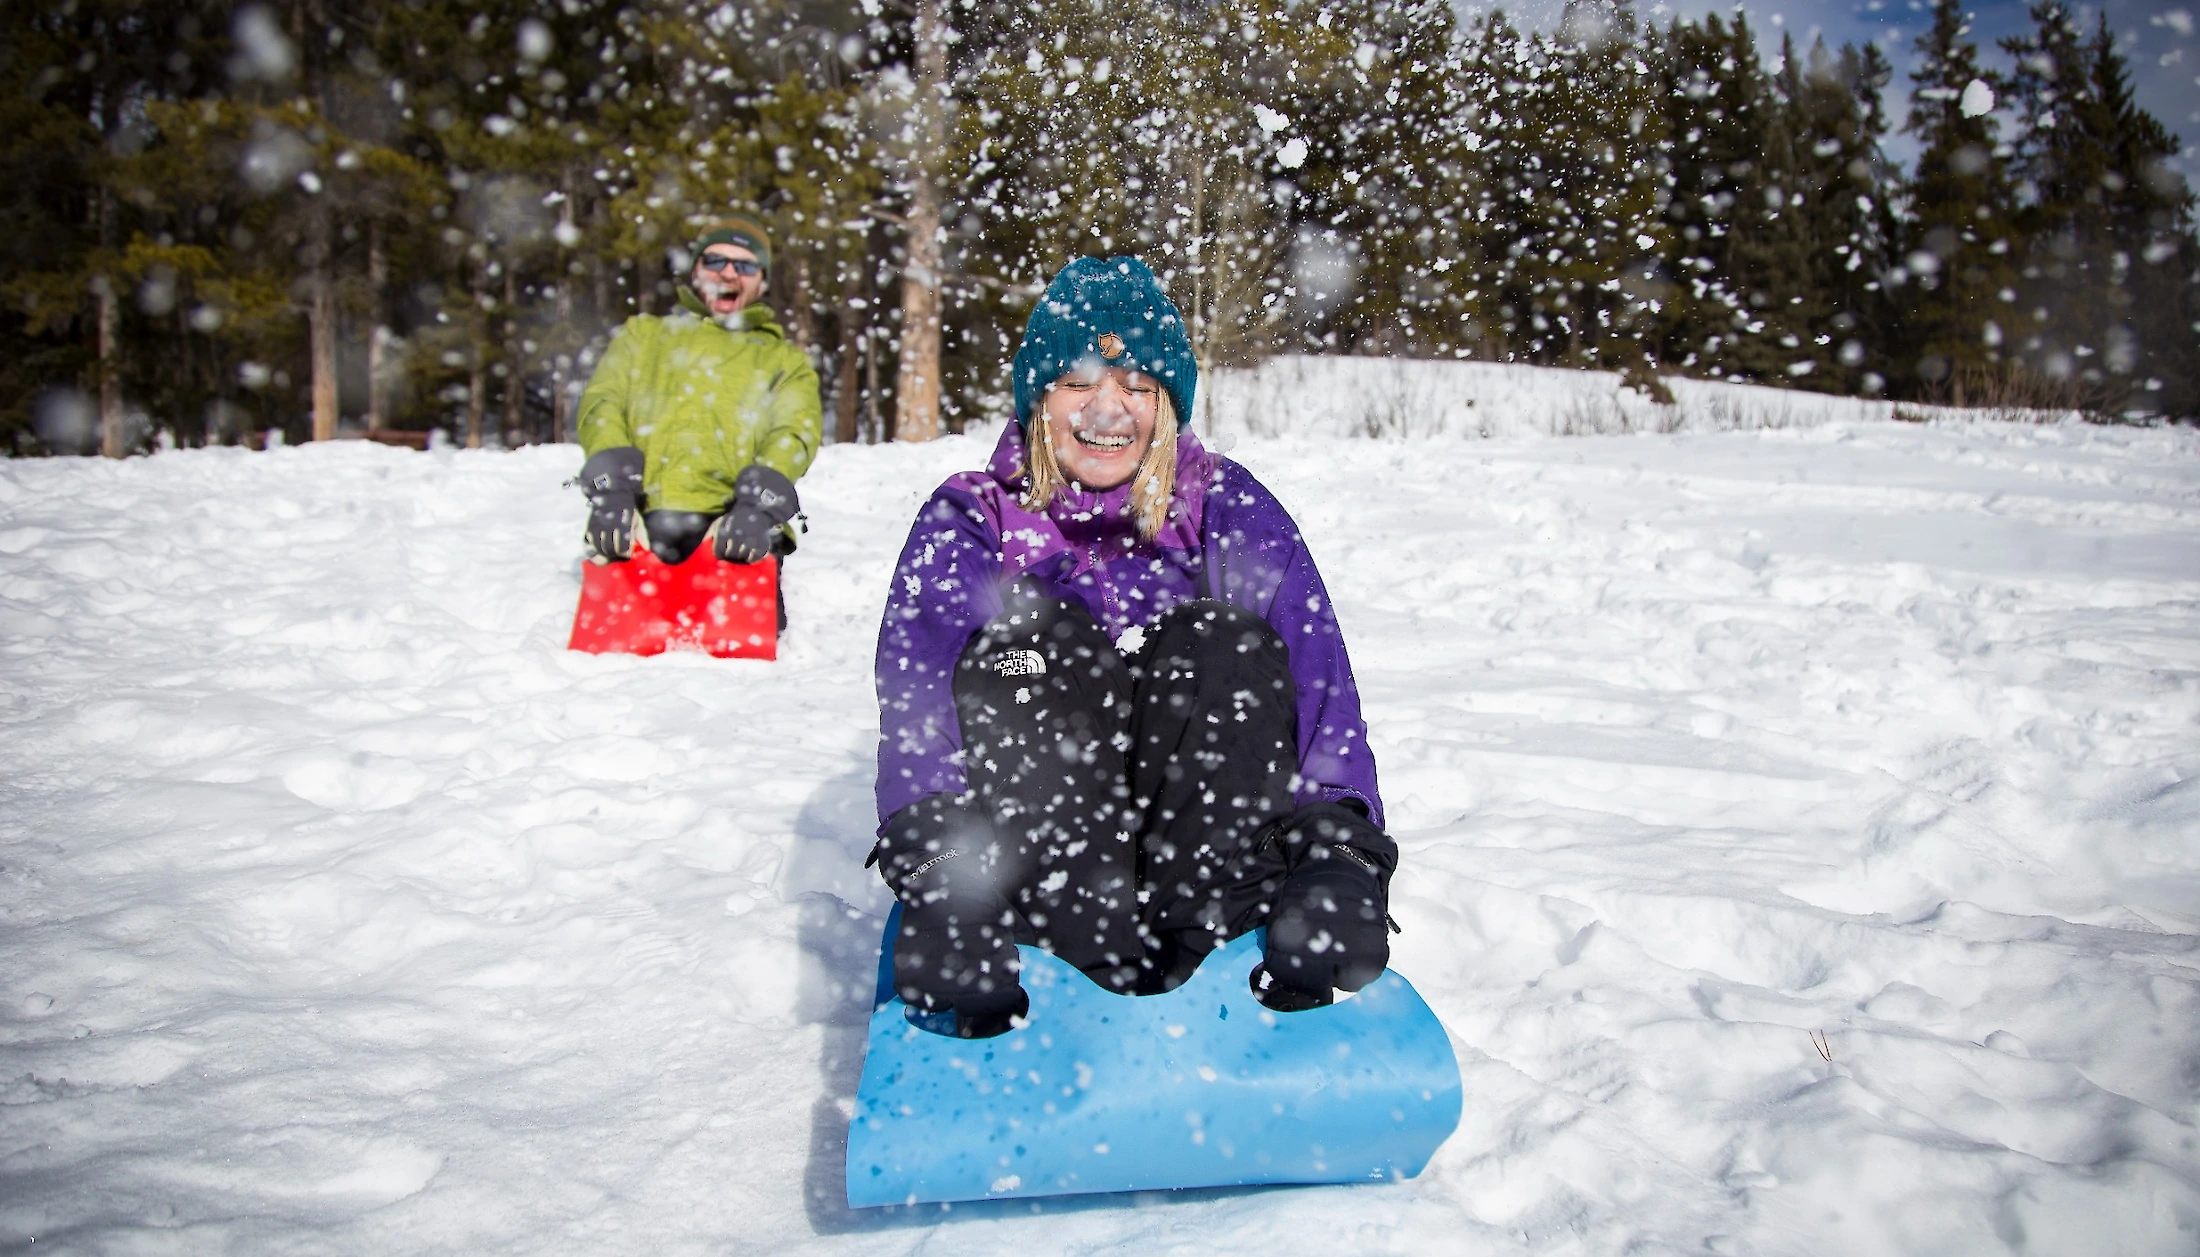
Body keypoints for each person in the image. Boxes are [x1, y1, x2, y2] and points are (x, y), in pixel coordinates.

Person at [869, 256, 1397, 1039]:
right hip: (1034, 904)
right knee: (1032, 645)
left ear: (1168, 405)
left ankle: (1222, 965)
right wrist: (944, 872)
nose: (1110, 411)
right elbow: (920, 707)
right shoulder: (973, 520)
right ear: (1039, 394)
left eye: (1139, 386)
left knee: (1221, 645)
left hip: (1212, 883)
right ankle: (1056, 974)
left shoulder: (1224, 504)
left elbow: (1321, 690)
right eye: (1081, 380)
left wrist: (1338, 855)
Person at [574, 214, 821, 601]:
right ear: (695, 271)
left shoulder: (784, 360)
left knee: (735, 653)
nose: (727, 274)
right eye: (715, 261)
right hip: (641, 518)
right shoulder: (643, 337)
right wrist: (614, 488)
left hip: (734, 527)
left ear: (762, 280)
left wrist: (758, 505)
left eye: (743, 265)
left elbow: (793, 433)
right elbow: (602, 405)